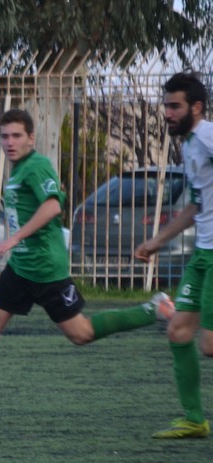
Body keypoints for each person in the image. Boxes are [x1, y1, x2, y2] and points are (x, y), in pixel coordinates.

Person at [0, 108, 175, 418]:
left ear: (31, 137)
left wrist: (13, 239)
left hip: (46, 268)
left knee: (81, 334)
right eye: (4, 136)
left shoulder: (37, 165)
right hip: (21, 267)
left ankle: (153, 309)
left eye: (17, 136)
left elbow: (53, 207)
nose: (10, 142)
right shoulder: (18, 169)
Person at [135, 73, 213, 439]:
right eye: (165, 105)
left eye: (174, 106)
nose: (167, 113)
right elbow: (196, 207)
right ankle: (195, 420)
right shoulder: (191, 146)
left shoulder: (208, 136)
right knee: (179, 331)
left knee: (209, 345)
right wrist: (157, 241)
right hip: (203, 253)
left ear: (196, 107)